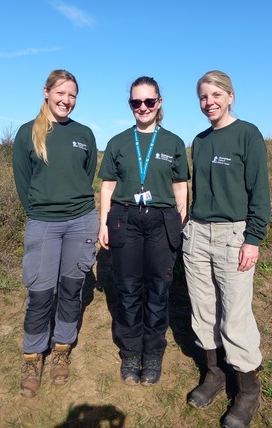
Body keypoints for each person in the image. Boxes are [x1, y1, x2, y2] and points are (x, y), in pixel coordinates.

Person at [183, 70, 271, 427]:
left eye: (216, 95)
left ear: (231, 96)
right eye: (204, 97)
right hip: (198, 235)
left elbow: (259, 192)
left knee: (235, 315)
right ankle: (215, 374)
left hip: (234, 236)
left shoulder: (247, 134)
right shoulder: (200, 140)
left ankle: (248, 390)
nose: (210, 102)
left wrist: (253, 239)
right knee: (203, 310)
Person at [12, 69, 99, 398]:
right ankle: (33, 356)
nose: (66, 100)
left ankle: (62, 348)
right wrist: (41, 213)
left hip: (81, 221)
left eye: (72, 95)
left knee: (72, 288)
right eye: (61, 93)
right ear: (46, 92)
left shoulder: (85, 133)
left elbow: (85, 175)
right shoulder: (26, 133)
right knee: (39, 293)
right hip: (43, 224)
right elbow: (24, 182)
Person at [98, 76, 189, 386]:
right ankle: (131, 352)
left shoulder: (173, 142)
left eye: (149, 101)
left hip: (162, 220)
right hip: (125, 218)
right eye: (136, 102)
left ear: (159, 103)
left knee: (158, 291)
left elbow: (180, 187)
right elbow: (108, 185)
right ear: (130, 105)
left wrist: (180, 222)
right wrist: (103, 224)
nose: (143, 107)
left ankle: (152, 354)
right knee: (127, 290)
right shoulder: (118, 142)